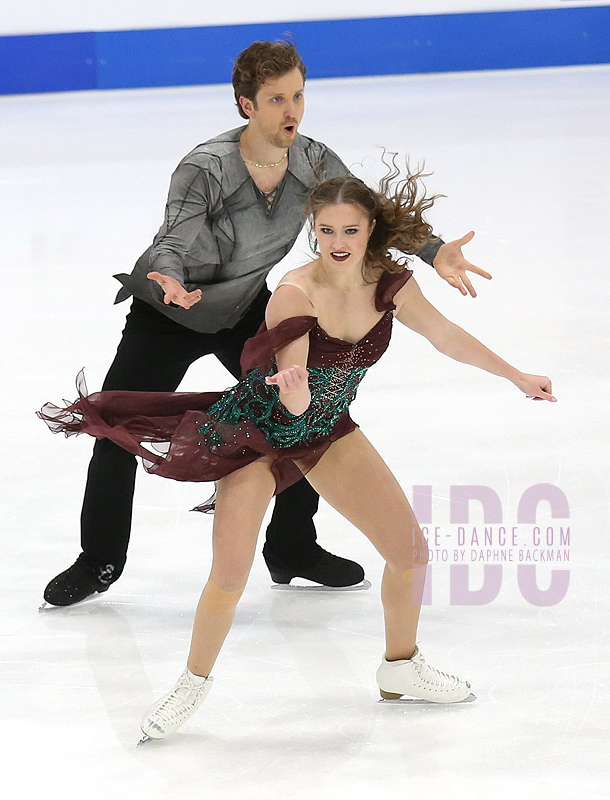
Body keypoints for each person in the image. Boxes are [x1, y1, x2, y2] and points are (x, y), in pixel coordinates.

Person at [38, 169, 555, 740]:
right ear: (313, 228)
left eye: (350, 230)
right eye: (326, 228)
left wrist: (515, 375)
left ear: (370, 230)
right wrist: (294, 391)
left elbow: (447, 337)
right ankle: (189, 686)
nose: (338, 242)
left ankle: (400, 667)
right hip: (255, 433)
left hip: (326, 429)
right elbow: (295, 380)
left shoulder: (392, 284)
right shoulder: (294, 291)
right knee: (230, 575)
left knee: (410, 554)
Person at [43, 40, 492, 607]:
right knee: (117, 424)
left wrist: (432, 252)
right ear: (245, 105)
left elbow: (365, 216)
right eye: (277, 99)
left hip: (240, 310)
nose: (292, 111)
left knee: (305, 414)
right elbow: (170, 240)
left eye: (298, 96)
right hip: (166, 312)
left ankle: (292, 547)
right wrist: (172, 278)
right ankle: (99, 559)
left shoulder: (313, 160)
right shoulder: (204, 167)